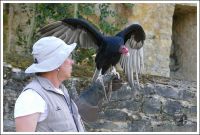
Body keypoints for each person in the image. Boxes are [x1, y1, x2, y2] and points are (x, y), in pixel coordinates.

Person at [14, 36, 117, 132]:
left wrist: (97, 90)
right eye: (68, 56)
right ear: (57, 63)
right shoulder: (31, 97)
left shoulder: (61, 90)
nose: (72, 62)